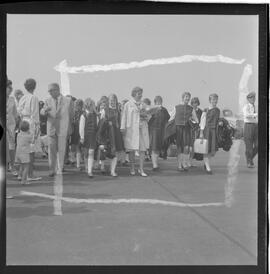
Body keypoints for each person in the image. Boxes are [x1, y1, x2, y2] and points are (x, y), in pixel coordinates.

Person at [121, 87, 158, 177]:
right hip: (132, 130)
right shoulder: (128, 104)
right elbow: (124, 116)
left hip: (142, 129)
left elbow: (149, 114)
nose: (141, 95)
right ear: (134, 94)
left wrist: (147, 115)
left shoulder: (143, 104)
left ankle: (141, 169)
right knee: (132, 150)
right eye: (139, 93)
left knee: (142, 150)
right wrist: (122, 128)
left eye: (141, 93)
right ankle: (132, 168)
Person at [40, 83, 74, 176]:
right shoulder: (47, 100)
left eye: (51, 90)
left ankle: (61, 167)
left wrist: (69, 128)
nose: (49, 93)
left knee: (62, 150)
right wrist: (45, 110)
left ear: (57, 90)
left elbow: (71, 116)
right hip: (51, 129)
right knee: (51, 150)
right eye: (49, 91)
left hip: (63, 129)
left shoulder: (68, 100)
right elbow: (42, 112)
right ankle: (52, 170)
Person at [17, 78, 41, 181]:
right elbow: (35, 113)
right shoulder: (34, 97)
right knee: (31, 149)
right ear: (34, 86)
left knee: (23, 148)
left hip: (23, 121)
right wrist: (37, 126)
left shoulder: (23, 97)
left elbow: (19, 110)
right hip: (31, 121)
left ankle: (21, 173)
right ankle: (30, 174)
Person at [96, 93, 124, 177]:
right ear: (108, 101)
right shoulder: (105, 110)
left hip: (116, 133)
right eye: (111, 100)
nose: (112, 102)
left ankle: (112, 171)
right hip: (107, 134)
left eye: (114, 100)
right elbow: (101, 123)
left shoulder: (118, 111)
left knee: (114, 152)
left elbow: (120, 122)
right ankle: (102, 166)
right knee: (104, 151)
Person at [169, 92, 198, 171]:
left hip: (187, 129)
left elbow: (196, 119)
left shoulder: (191, 108)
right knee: (179, 147)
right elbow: (171, 118)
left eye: (188, 97)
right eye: (186, 97)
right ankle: (179, 165)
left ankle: (184, 163)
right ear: (182, 98)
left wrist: (192, 121)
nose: (187, 98)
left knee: (187, 147)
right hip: (178, 129)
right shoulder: (176, 107)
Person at [199, 93, 221, 174]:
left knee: (213, 151)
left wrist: (220, 123)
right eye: (213, 99)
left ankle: (206, 162)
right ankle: (208, 167)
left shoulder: (218, 110)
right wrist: (201, 133)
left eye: (216, 99)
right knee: (206, 149)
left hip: (214, 131)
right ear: (210, 100)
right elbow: (202, 121)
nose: (215, 101)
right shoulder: (206, 110)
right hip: (207, 131)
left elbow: (219, 119)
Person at [148, 95, 170, 171]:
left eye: (160, 101)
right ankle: (155, 165)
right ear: (155, 102)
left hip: (161, 131)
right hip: (153, 131)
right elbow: (147, 119)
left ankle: (156, 163)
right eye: (157, 102)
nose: (159, 103)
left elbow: (168, 120)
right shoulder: (151, 110)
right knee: (154, 148)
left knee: (157, 148)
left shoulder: (164, 110)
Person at [79, 98, 97, 178]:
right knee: (86, 153)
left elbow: (97, 125)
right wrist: (82, 137)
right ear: (89, 106)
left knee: (91, 152)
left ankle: (90, 171)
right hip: (86, 136)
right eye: (93, 105)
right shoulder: (84, 115)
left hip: (93, 136)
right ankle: (86, 166)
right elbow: (81, 127)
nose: (94, 106)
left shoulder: (95, 115)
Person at [242, 92, 258, 168]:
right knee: (249, 146)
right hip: (248, 126)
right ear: (248, 99)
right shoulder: (246, 107)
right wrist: (255, 114)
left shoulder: (256, 106)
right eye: (251, 98)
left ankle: (250, 158)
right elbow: (246, 115)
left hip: (256, 126)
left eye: (254, 98)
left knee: (258, 145)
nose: (253, 99)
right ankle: (249, 162)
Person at [6, 79, 19, 176]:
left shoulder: (12, 99)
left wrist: (18, 123)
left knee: (11, 147)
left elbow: (15, 114)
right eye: (9, 87)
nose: (11, 89)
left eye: (11, 88)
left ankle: (12, 167)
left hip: (10, 126)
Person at [16, 120, 33, 185]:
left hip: (18, 152)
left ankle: (19, 176)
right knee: (26, 167)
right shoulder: (28, 136)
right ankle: (23, 181)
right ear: (28, 128)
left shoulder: (19, 134)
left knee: (21, 165)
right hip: (24, 153)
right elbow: (32, 141)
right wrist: (30, 133)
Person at [70, 99, 84, 170]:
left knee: (78, 147)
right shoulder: (73, 112)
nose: (77, 107)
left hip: (79, 131)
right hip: (74, 130)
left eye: (79, 105)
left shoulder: (82, 113)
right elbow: (71, 121)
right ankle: (72, 159)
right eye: (76, 105)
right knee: (73, 145)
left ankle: (78, 164)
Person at [189, 97, 203, 166]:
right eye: (193, 103)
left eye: (196, 102)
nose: (195, 104)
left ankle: (190, 162)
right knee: (189, 147)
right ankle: (186, 162)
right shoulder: (189, 110)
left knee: (194, 148)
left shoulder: (200, 111)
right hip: (190, 131)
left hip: (197, 131)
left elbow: (202, 121)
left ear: (198, 103)